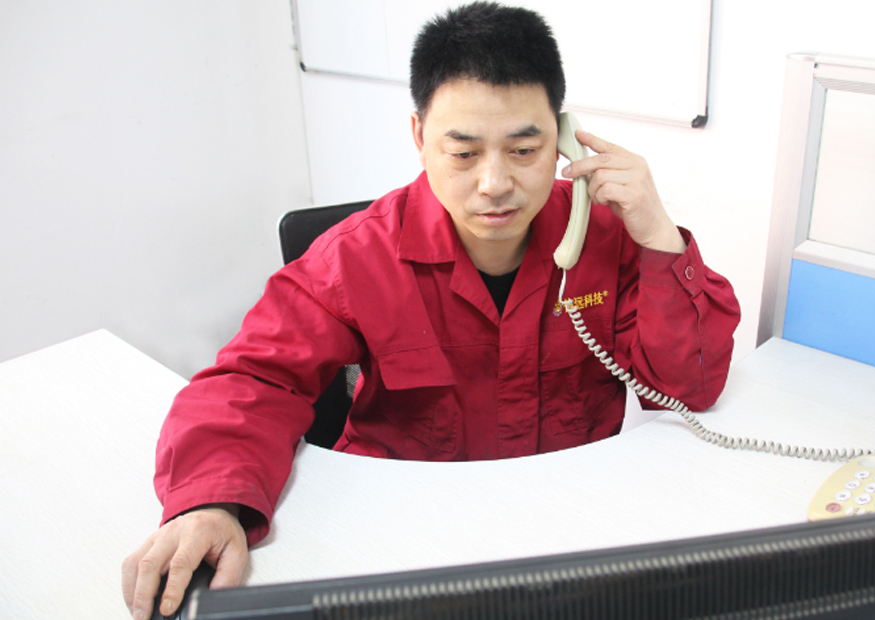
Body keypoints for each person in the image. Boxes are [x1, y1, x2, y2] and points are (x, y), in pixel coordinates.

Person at [122, 2, 740, 618]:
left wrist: (658, 235)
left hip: (564, 533)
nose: (494, 184)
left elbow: (687, 391)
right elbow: (254, 380)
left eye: (524, 150)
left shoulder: (608, 239)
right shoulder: (356, 256)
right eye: (463, 153)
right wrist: (211, 501)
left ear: (563, 138)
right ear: (420, 138)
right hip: (399, 545)